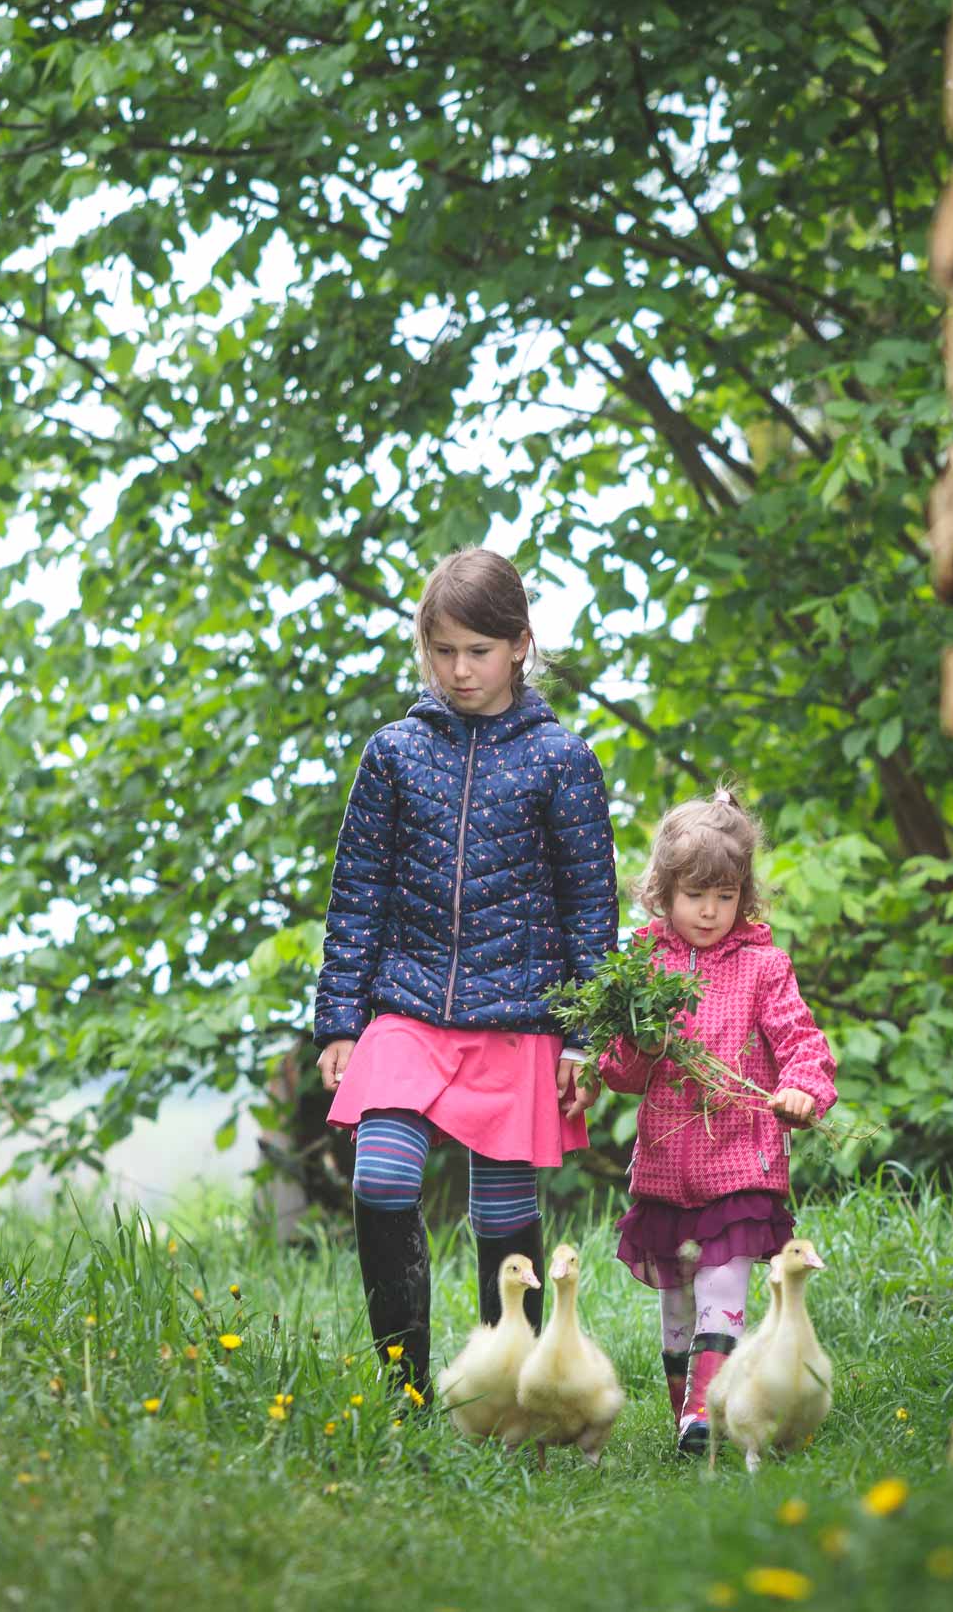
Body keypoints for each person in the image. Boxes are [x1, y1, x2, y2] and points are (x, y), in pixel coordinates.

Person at [311, 547, 617, 1401]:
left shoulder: (563, 759)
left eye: (478, 650)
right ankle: (405, 1392)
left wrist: (586, 1036)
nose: (460, 669)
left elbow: (590, 907)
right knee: (381, 1179)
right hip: (405, 1006)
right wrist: (340, 1020)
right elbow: (357, 892)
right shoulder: (394, 754)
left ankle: (502, 1389)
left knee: (503, 1218)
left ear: (520, 644)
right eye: (443, 650)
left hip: (518, 1014)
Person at [596, 791, 837, 1455]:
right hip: (668, 1171)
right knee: (676, 1304)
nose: (709, 910)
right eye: (695, 893)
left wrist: (801, 1089)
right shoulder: (644, 966)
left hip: (739, 1161)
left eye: (725, 895)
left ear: (745, 896)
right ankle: (685, 1414)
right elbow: (620, 1071)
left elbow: (802, 1042)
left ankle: (703, 1409)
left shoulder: (765, 966)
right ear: (664, 892)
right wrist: (641, 1043)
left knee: (722, 1283)